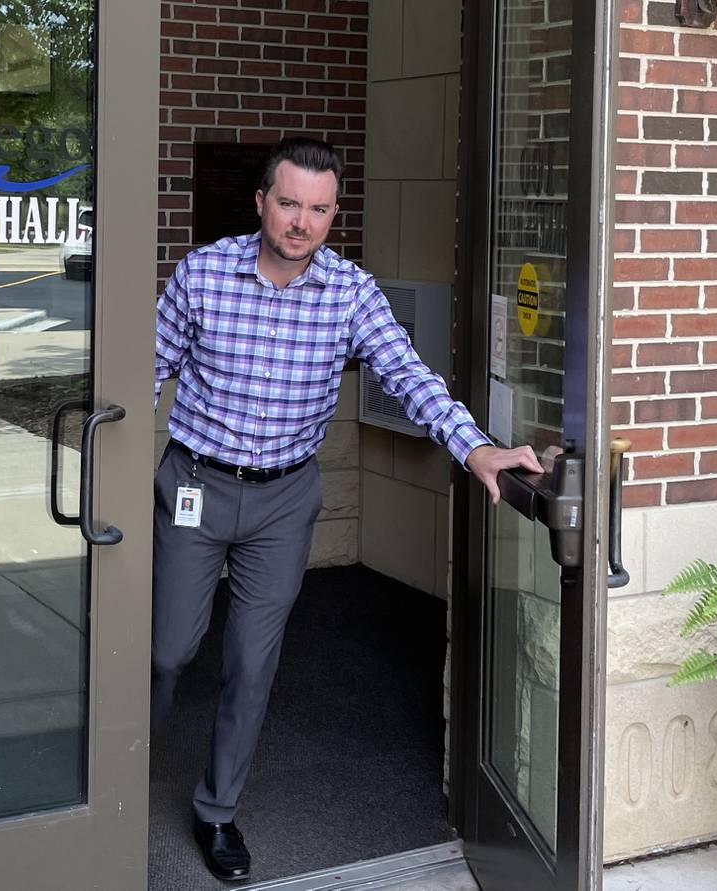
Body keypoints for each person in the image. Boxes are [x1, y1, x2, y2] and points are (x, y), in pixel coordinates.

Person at [152, 136, 542, 883]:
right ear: (261, 201)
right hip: (194, 485)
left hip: (284, 500)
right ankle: (119, 760)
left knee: (252, 662)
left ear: (334, 215)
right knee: (169, 648)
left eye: (319, 209)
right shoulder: (202, 273)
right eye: (290, 202)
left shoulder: (352, 292)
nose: (302, 221)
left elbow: (408, 373)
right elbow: (149, 366)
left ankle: (215, 810)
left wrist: (477, 449)